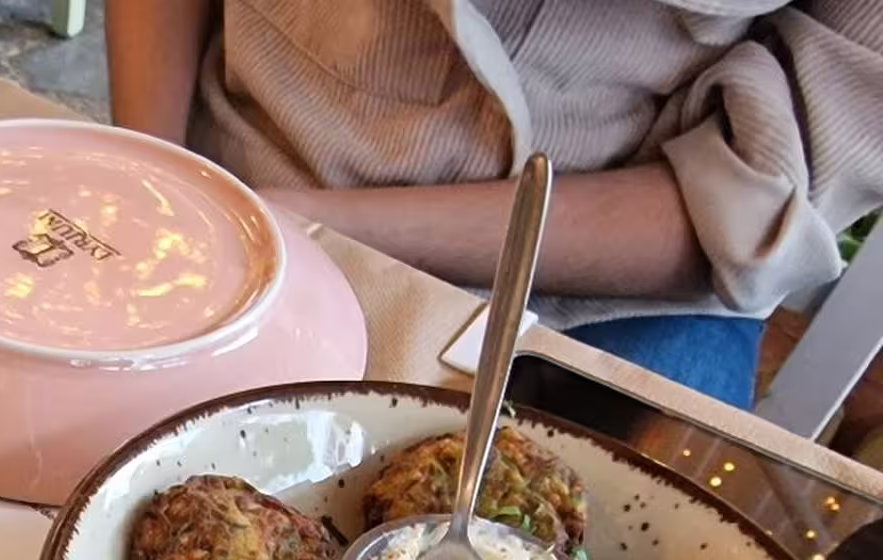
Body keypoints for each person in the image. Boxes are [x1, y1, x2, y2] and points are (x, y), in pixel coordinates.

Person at [105, 0, 883, 408]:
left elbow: (771, 191)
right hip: (232, 159)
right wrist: (156, 175)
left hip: (618, 283)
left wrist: (295, 221)